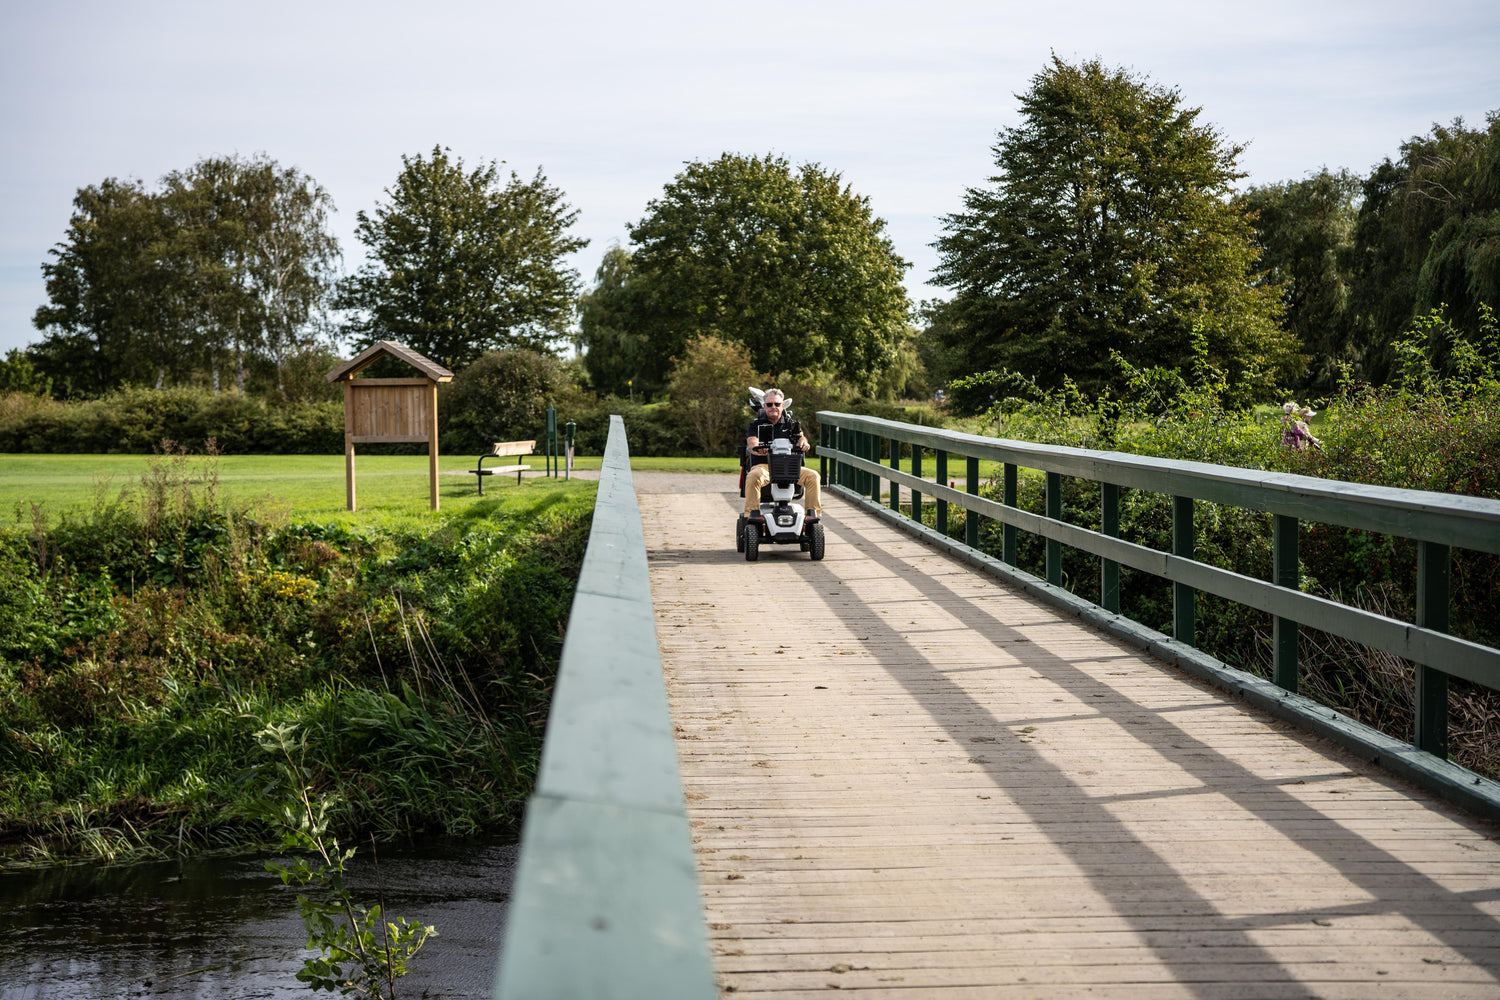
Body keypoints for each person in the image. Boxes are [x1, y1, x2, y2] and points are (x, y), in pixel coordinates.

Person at [743, 389, 822, 519]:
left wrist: (804, 443)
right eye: (769, 404)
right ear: (764, 406)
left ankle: (813, 515)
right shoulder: (756, 424)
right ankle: (751, 514)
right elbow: (752, 441)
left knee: (813, 476)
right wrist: (757, 448)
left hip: (790, 467)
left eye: (777, 404)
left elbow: (801, 438)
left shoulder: (791, 424)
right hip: (765, 467)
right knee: (753, 476)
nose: (773, 407)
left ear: (782, 406)